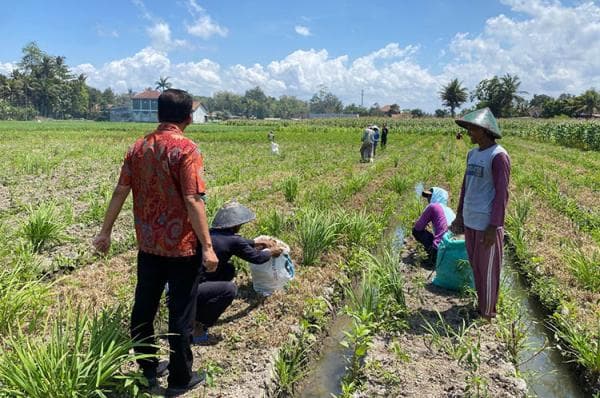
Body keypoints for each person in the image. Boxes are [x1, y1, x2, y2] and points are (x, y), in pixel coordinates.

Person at [93, 88, 219, 396]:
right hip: (182, 249)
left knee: (143, 309)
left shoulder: (138, 147)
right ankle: (179, 379)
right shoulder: (186, 149)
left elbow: (120, 191)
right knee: (180, 313)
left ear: (158, 114)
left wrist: (105, 231)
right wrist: (208, 246)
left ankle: (148, 370)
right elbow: (192, 198)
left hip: (148, 246)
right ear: (189, 116)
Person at [450, 107, 511, 321]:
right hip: (471, 219)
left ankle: (487, 314)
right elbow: (466, 186)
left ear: (485, 131)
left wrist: (493, 227)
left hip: (486, 225)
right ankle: (480, 305)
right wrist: (459, 215)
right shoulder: (472, 154)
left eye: (472, 129)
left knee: (488, 271)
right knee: (476, 267)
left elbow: (502, 194)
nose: (468, 133)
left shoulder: (498, 156)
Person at [192, 201, 283, 343]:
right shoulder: (233, 241)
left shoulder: (211, 233)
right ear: (235, 226)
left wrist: (254, 243)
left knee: (228, 269)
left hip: (183, 285)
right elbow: (257, 258)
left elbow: (235, 242)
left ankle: (199, 307)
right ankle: (198, 326)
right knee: (230, 290)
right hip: (188, 292)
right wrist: (271, 251)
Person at [412, 187, 456, 266]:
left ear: (437, 196)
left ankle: (433, 256)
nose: (428, 199)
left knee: (416, 231)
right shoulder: (449, 210)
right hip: (456, 250)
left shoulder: (433, 206)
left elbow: (418, 228)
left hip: (441, 252)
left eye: (430, 196)